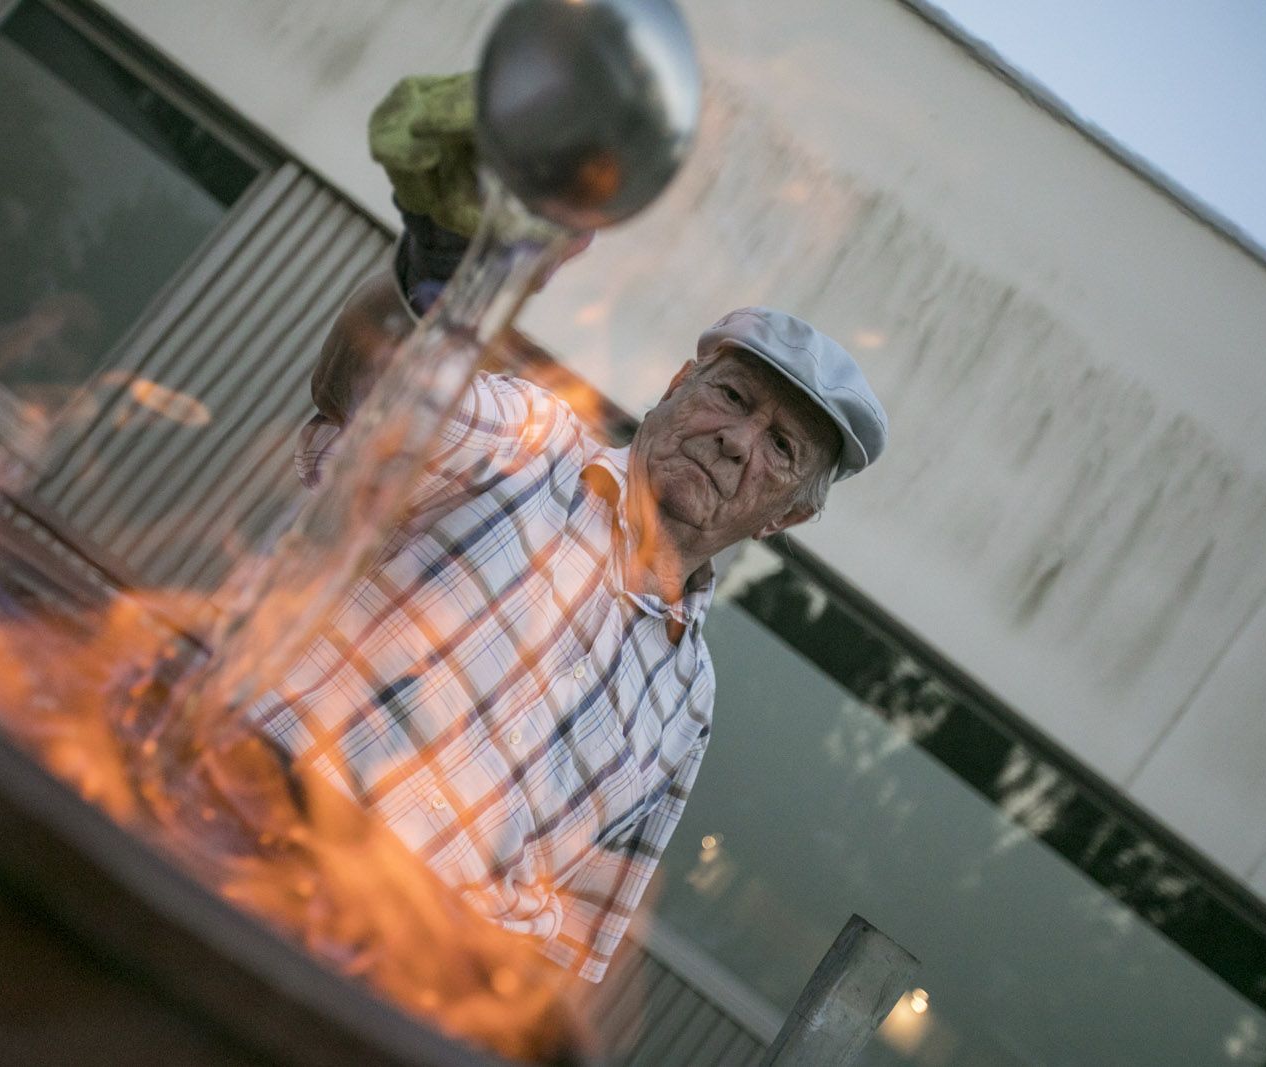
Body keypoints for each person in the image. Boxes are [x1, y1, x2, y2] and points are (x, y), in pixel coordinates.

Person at [247, 77, 890, 983]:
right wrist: (438, 268)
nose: (737, 439)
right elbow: (374, 392)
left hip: (389, 999)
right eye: (733, 396)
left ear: (788, 513)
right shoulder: (526, 439)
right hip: (237, 853)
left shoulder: (690, 699)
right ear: (677, 387)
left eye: (780, 446)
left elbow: (564, 948)